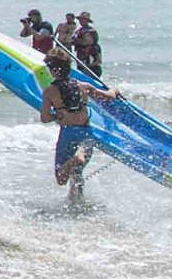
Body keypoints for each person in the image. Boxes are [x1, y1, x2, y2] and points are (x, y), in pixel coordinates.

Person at [39, 53, 119, 196]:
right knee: (76, 172)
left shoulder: (49, 91)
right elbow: (108, 97)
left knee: (61, 177)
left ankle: (75, 159)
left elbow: (44, 118)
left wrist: (58, 114)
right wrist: (115, 90)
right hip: (85, 134)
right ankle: (76, 205)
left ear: (52, 70)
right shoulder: (84, 87)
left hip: (67, 134)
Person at [73, 12, 103, 77]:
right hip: (80, 58)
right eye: (80, 19)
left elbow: (98, 61)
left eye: (83, 19)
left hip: (91, 67)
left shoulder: (93, 47)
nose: (81, 21)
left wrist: (89, 66)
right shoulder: (78, 31)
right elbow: (72, 41)